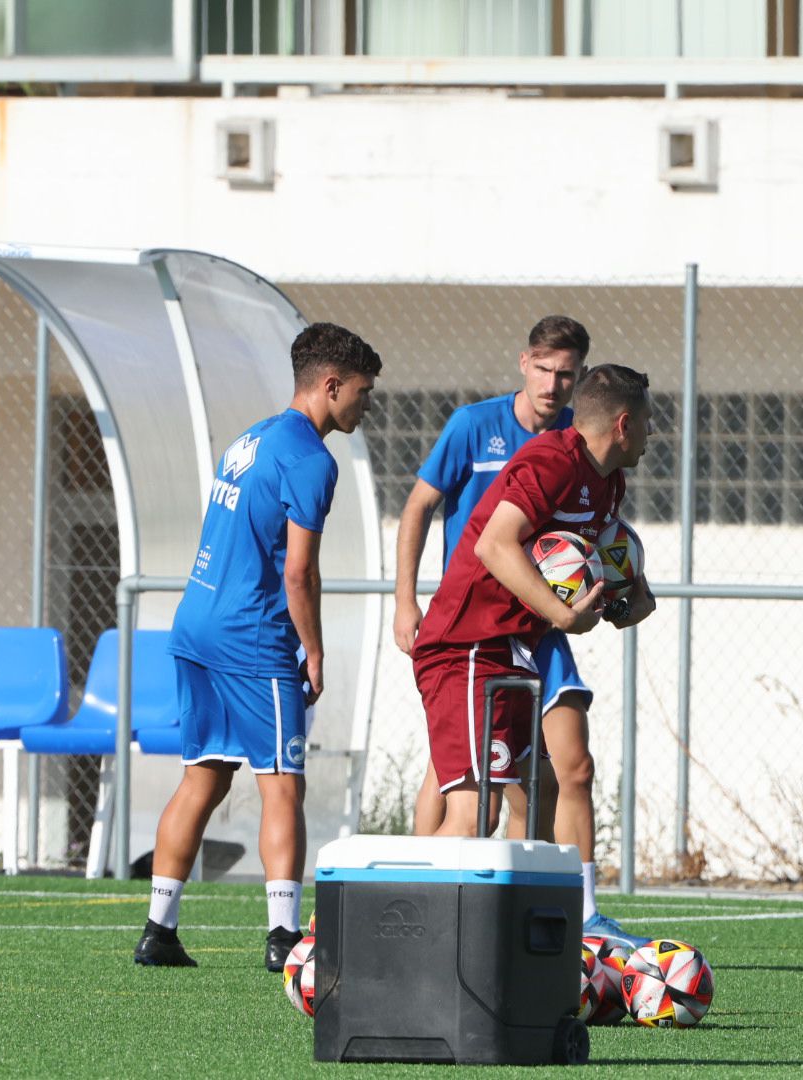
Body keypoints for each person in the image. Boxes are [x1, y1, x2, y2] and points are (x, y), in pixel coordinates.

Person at [133, 322, 380, 970]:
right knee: (282, 785)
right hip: (251, 636)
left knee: (202, 777)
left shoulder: (252, 438)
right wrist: (315, 651)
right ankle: (282, 938)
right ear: (331, 385)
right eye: (362, 391)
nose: (365, 404)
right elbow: (299, 571)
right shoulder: (311, 459)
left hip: (196, 624)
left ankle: (159, 929)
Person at [411, 363, 658, 949]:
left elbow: (589, 569)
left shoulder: (607, 484)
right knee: (475, 811)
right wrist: (562, 613)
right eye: (648, 423)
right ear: (623, 425)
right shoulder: (552, 460)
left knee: (526, 797)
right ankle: (376, 923)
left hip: (514, 651)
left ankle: (500, 938)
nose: (653, 434)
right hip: (466, 646)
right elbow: (496, 544)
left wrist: (628, 597)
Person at [395, 316, 591, 842]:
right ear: (524, 363)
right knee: (459, 781)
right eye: (544, 369)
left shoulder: (579, 440)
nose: (552, 385)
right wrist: (405, 600)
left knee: (560, 770)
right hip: (472, 625)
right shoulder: (473, 425)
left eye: (566, 375)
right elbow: (418, 507)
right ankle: (404, 893)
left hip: (540, 621)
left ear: (581, 377)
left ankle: (551, 902)